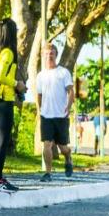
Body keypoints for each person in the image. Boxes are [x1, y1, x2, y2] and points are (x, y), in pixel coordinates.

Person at [0, 19, 27, 192]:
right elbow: (1, 77)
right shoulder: (8, 53)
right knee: (2, 140)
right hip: (4, 100)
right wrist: (17, 84)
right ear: (10, 33)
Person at [35, 43, 74, 181]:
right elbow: (39, 95)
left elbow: (71, 92)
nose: (49, 56)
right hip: (46, 115)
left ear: (55, 55)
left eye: (51, 53)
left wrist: (68, 107)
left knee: (63, 148)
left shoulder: (63, 72)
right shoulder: (40, 75)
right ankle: (48, 173)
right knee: (47, 144)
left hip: (61, 115)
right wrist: (40, 109)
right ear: (43, 56)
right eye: (46, 54)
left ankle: (68, 157)